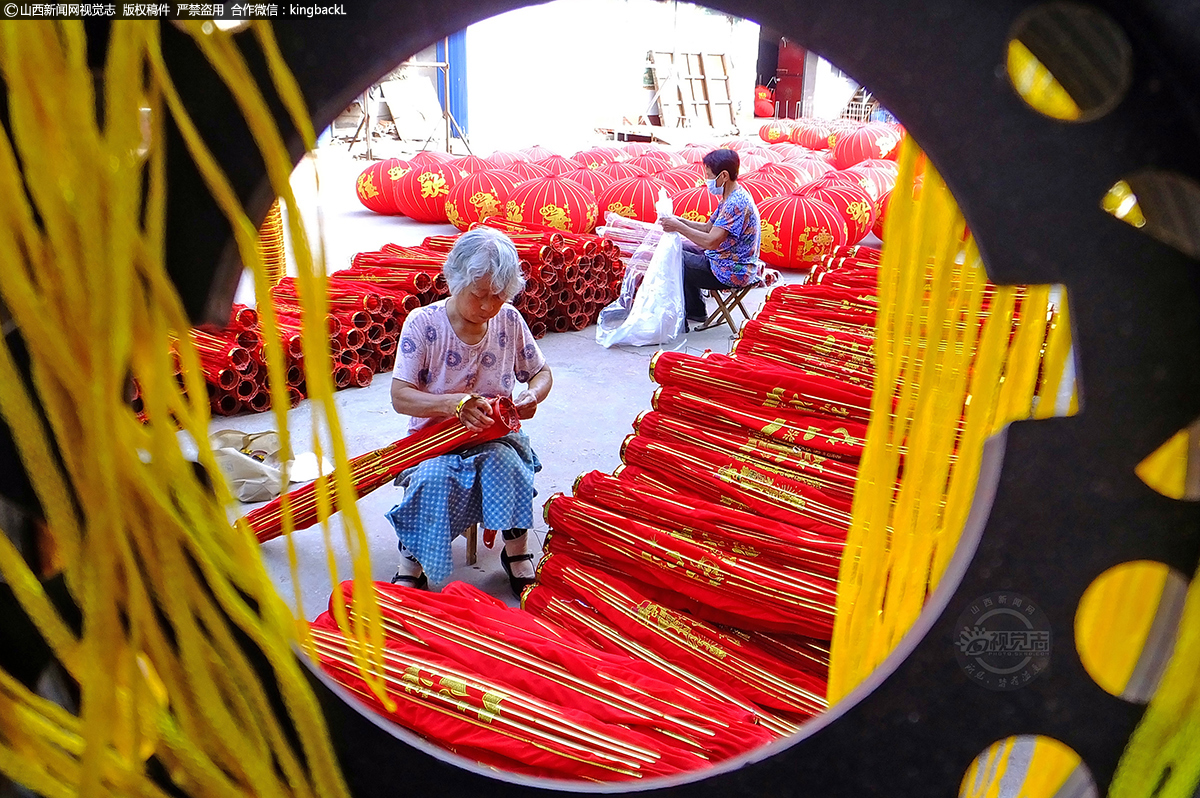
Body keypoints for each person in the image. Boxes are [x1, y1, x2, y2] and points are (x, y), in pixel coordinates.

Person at [387, 227, 553, 598]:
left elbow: (541, 372)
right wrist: (453, 404)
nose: (488, 307)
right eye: (479, 295)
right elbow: (400, 396)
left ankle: (516, 551)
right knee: (433, 479)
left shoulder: (508, 320)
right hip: (434, 440)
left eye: (498, 297)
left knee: (507, 466)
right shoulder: (423, 324)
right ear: (455, 280)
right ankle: (410, 559)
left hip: (495, 436)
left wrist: (532, 395)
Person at [659, 148, 762, 325]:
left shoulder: (735, 203)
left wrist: (678, 227)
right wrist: (679, 221)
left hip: (731, 270)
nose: (707, 181)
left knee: (675, 256)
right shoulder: (730, 196)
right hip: (723, 259)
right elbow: (709, 228)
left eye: (709, 175)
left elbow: (711, 242)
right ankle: (696, 310)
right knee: (679, 247)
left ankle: (688, 311)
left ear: (723, 176)